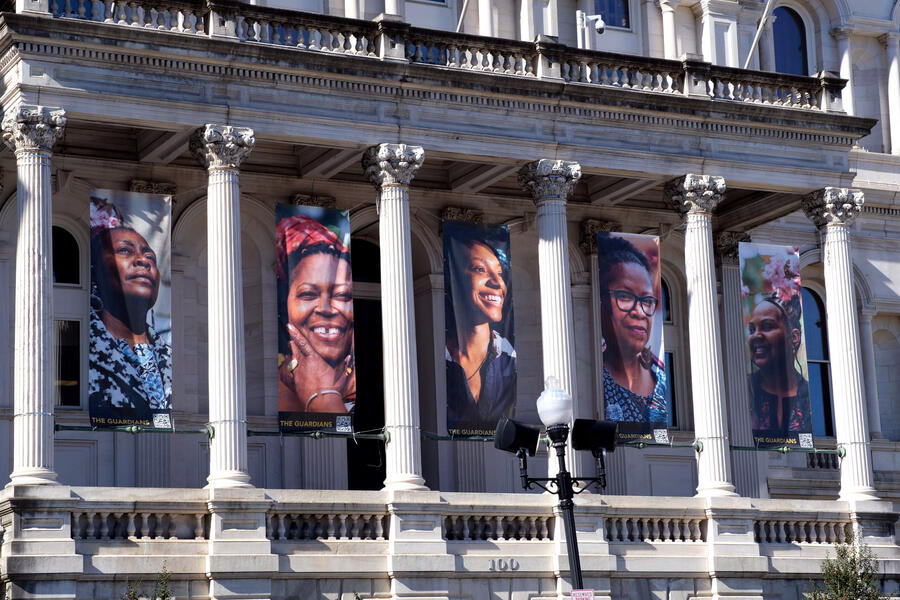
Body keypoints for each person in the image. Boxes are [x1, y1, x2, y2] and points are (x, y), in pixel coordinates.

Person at [88, 200, 172, 424]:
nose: (143, 261)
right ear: (95, 273)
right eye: (125, 251)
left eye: (150, 257)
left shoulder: (170, 355)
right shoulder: (86, 348)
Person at [277, 214, 355, 414]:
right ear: (285, 302)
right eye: (308, 294)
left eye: (342, 295)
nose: (326, 309)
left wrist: (324, 398)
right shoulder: (280, 393)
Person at [445, 226, 516, 431]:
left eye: (500, 274)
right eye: (480, 269)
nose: (497, 283)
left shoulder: (510, 357)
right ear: (454, 278)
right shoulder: (438, 357)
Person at [597, 235, 667, 424]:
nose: (640, 313)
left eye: (646, 300)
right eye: (625, 297)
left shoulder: (663, 383)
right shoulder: (595, 382)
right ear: (600, 304)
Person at [747, 293, 810, 435]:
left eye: (768, 326)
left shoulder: (810, 397)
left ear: (794, 337)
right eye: (752, 330)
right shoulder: (743, 389)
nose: (756, 336)